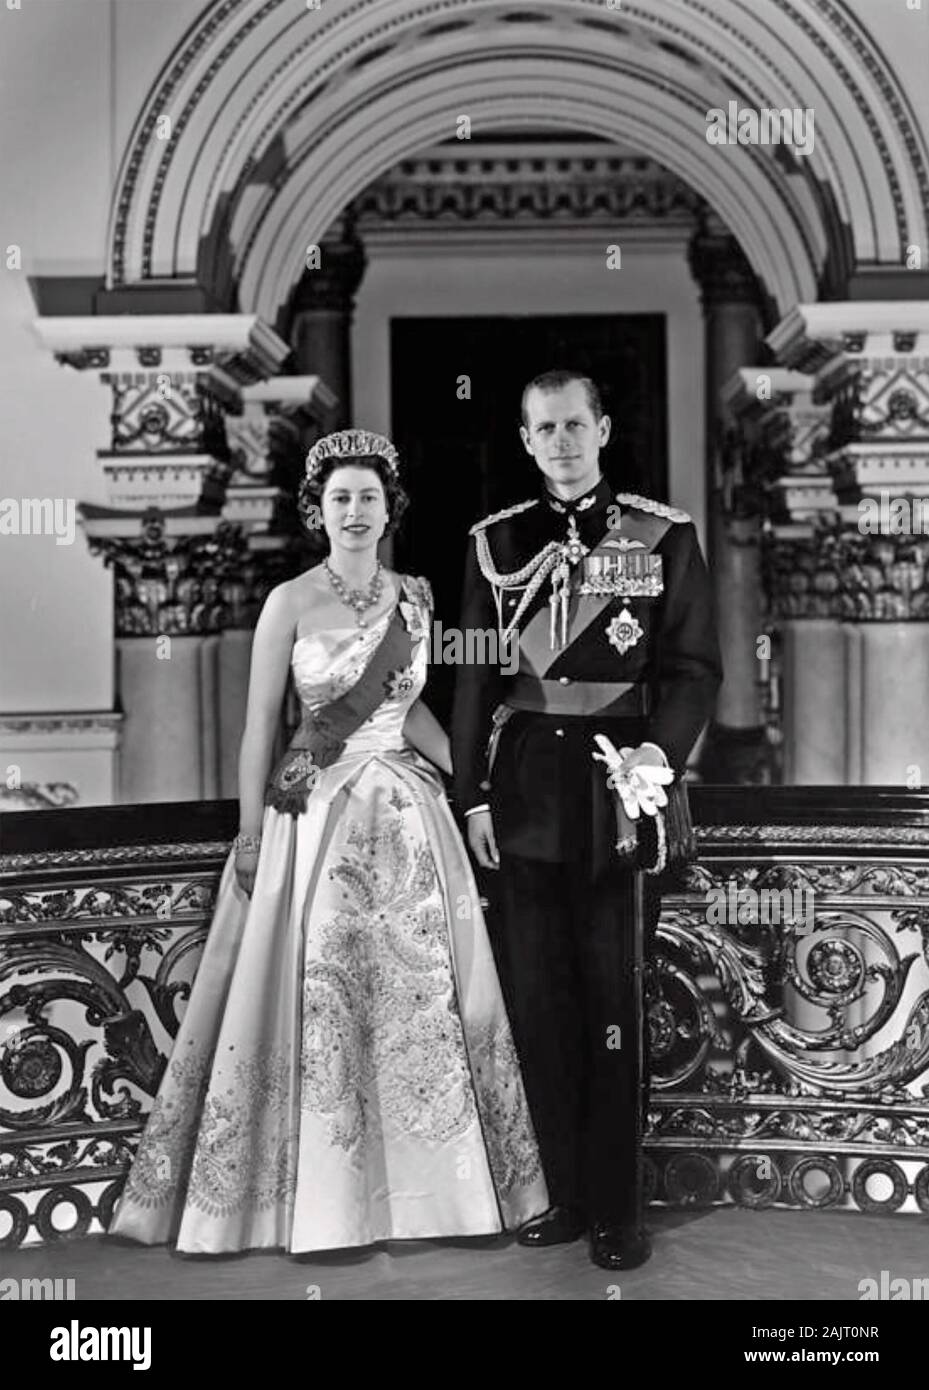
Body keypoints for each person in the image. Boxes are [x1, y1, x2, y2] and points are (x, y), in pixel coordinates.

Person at [109, 428, 548, 1255]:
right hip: (314, 817)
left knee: (420, 1004)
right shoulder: (288, 601)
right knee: (325, 995)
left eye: (368, 498)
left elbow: (412, 713)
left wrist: (473, 786)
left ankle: (434, 1199)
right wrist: (247, 836)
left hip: (410, 819)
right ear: (318, 511)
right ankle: (322, 1203)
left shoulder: (415, 598)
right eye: (339, 498)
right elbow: (254, 732)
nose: (354, 511)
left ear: (389, 511)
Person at [451, 370, 721, 1270]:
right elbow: (472, 685)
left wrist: (660, 754)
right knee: (541, 999)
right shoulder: (496, 543)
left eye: (576, 424)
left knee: (613, 1001)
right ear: (526, 441)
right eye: (544, 428)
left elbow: (691, 669)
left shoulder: (663, 534)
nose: (562, 441)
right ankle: (561, 1194)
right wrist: (473, 797)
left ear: (602, 428)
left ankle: (617, 1208)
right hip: (525, 791)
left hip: (616, 791)